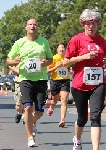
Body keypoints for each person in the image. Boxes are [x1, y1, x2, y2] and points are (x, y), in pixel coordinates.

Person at [63, 9, 106, 150]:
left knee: (96, 117)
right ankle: (78, 138)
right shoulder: (76, 39)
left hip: (98, 84)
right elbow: (65, 62)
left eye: (93, 23)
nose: (91, 26)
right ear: (83, 24)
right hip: (80, 84)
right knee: (82, 118)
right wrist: (84, 57)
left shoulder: (101, 41)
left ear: (97, 24)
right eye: (87, 23)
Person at [6, 18, 53, 147]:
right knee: (27, 107)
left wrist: (46, 63)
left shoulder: (44, 42)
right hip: (25, 79)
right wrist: (14, 61)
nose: (32, 26)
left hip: (41, 79)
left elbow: (50, 58)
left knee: (39, 111)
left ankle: (29, 122)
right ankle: (30, 137)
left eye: (35, 24)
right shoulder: (19, 43)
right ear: (26, 28)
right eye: (30, 24)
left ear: (37, 27)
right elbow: (8, 60)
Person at [47, 43, 70, 127]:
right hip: (55, 81)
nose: (61, 49)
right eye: (60, 48)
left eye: (63, 48)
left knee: (64, 100)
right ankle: (51, 107)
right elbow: (47, 71)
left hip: (65, 80)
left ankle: (62, 119)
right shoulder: (53, 58)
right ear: (57, 50)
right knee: (54, 101)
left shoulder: (67, 58)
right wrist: (56, 67)